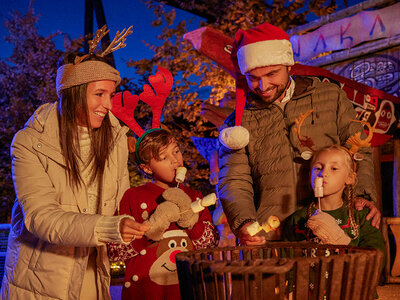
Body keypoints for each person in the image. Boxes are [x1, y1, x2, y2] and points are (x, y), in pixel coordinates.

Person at [1, 26, 150, 300]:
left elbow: (121, 204)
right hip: (40, 284)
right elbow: (41, 217)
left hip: (94, 278)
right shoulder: (30, 143)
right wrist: (109, 227)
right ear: (74, 93)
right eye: (99, 94)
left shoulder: (115, 139)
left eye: (111, 95)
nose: (108, 104)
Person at [217, 22, 381, 246]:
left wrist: (362, 196)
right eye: (253, 77)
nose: (262, 85)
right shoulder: (235, 125)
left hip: (334, 227)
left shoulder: (330, 96)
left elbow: (357, 149)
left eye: (272, 73)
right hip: (272, 236)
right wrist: (244, 222)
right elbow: (234, 180)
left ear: (289, 65)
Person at [107, 129, 219, 300]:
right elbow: (115, 251)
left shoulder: (195, 196)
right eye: (164, 157)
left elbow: (210, 244)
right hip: (146, 291)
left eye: (176, 151)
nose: (175, 160)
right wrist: (149, 232)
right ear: (147, 168)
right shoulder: (133, 196)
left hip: (187, 289)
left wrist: (191, 222)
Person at [282, 145, 385, 253]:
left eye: (334, 168)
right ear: (309, 175)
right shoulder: (297, 219)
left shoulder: (362, 216)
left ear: (350, 178)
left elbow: (377, 259)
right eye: (318, 168)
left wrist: (339, 240)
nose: (323, 173)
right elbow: (287, 263)